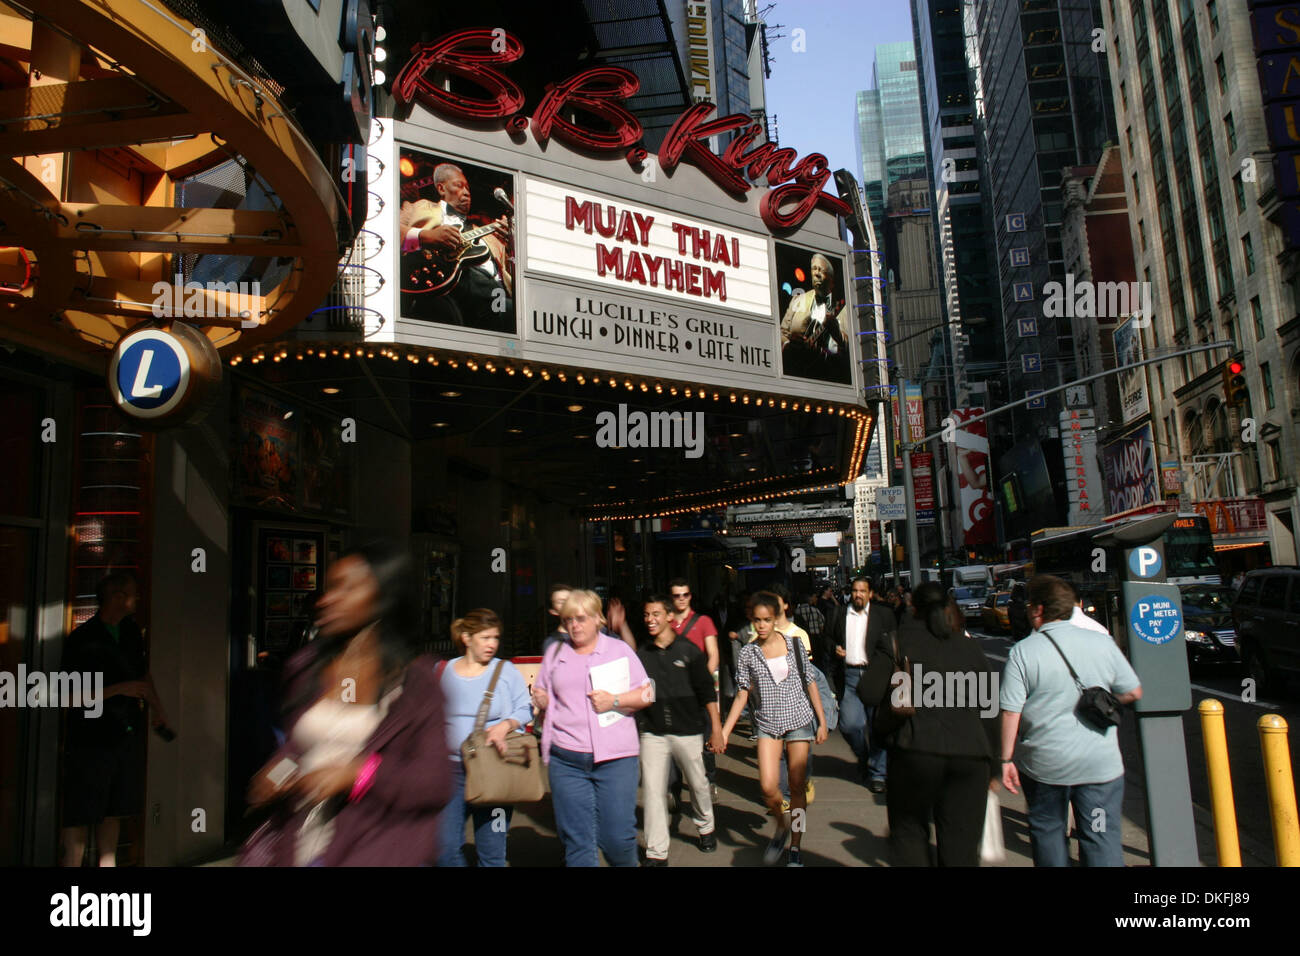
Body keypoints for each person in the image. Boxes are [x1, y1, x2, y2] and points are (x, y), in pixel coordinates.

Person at [242, 542, 450, 866]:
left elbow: (435, 782)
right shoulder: (306, 667)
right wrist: (278, 772)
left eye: (346, 588)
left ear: (382, 596)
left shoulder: (417, 683)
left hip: (375, 851)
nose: (326, 600)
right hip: (303, 848)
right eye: (328, 589)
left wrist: (358, 774)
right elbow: (297, 747)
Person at [999, 575, 1143, 867]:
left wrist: (1005, 759)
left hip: (1045, 766)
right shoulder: (1101, 642)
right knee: (1100, 835)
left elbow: (1011, 711)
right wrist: (1101, 703)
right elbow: (1133, 691)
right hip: (1099, 766)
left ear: (1039, 610)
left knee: (1049, 832)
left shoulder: (1023, 652)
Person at [858, 583, 1000, 866]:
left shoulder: (897, 642)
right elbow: (990, 709)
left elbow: (869, 692)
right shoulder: (970, 647)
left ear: (912, 608)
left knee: (909, 833)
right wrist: (994, 765)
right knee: (961, 843)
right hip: (970, 756)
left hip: (914, 751)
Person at [531, 589, 652, 866]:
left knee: (617, 840)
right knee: (578, 843)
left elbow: (648, 693)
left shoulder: (618, 649)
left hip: (615, 760)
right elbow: (542, 690)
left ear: (598, 619)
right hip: (567, 759)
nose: (574, 625)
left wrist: (615, 700)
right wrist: (543, 700)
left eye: (581, 618)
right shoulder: (555, 652)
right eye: (569, 619)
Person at [60, 572, 171, 867]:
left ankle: (107, 865)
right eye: (133, 593)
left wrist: (157, 708)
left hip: (124, 734)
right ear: (117, 597)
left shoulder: (132, 632)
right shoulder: (82, 640)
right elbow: (67, 696)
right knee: (81, 810)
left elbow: (142, 675)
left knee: (115, 807)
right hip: (90, 737)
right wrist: (118, 690)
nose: (137, 599)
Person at [720, 592, 828, 867]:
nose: (762, 625)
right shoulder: (747, 653)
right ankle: (782, 826)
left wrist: (822, 720)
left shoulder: (794, 645)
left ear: (776, 619)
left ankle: (796, 845)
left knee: (796, 786)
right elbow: (742, 695)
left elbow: (810, 682)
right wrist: (724, 731)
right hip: (767, 723)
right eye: (757, 620)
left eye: (767, 620)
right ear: (751, 621)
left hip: (799, 722)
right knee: (768, 787)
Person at [436, 609, 533, 867]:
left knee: (492, 851)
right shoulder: (442, 671)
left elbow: (525, 708)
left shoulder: (505, 670)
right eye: (485, 637)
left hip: (494, 768)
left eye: (496, 638)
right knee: (444, 849)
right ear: (467, 638)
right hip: (449, 771)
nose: (492, 644)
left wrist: (505, 726)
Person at [635, 595, 726, 865]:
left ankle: (706, 827)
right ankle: (656, 852)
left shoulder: (689, 651)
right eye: (646, 615)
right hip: (653, 732)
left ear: (669, 618)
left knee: (698, 783)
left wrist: (717, 729)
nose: (650, 619)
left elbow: (706, 691)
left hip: (688, 730)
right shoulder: (643, 653)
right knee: (653, 791)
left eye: (656, 614)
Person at [399, 162, 513, 332]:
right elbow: (388, 231)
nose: (467, 192)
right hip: (445, 287)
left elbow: (510, 275)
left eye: (468, 188)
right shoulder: (417, 207)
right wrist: (426, 236)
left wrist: (513, 244)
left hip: (496, 298)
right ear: (441, 189)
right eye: (459, 186)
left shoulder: (490, 236)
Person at [826, 576, 895, 791]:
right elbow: (827, 639)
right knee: (849, 724)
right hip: (849, 676)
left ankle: (878, 774)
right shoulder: (838, 614)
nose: (858, 594)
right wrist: (835, 649)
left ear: (870, 594)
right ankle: (864, 755)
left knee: (877, 727)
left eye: (863, 591)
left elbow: (892, 647)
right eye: (855, 590)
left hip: (875, 676)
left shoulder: (883, 615)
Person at [668, 578, 720, 793]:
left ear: (690, 596)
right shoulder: (665, 623)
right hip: (673, 691)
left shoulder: (703, 621)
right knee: (671, 740)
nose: (681, 599)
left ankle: (709, 780)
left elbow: (713, 654)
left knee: (706, 738)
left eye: (685, 595)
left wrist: (702, 682)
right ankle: (675, 787)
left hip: (698, 691)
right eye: (676, 595)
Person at [779, 253, 850, 383]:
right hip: (794, 374)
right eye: (814, 268)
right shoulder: (798, 300)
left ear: (832, 279)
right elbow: (781, 333)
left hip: (829, 377)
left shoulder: (845, 309)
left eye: (821, 270)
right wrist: (790, 345)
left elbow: (852, 350)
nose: (816, 273)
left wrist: (837, 334)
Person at [541, 582, 573, 654]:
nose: (568, 604)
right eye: (562, 602)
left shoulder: (596, 632)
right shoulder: (552, 643)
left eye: (571, 600)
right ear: (553, 611)